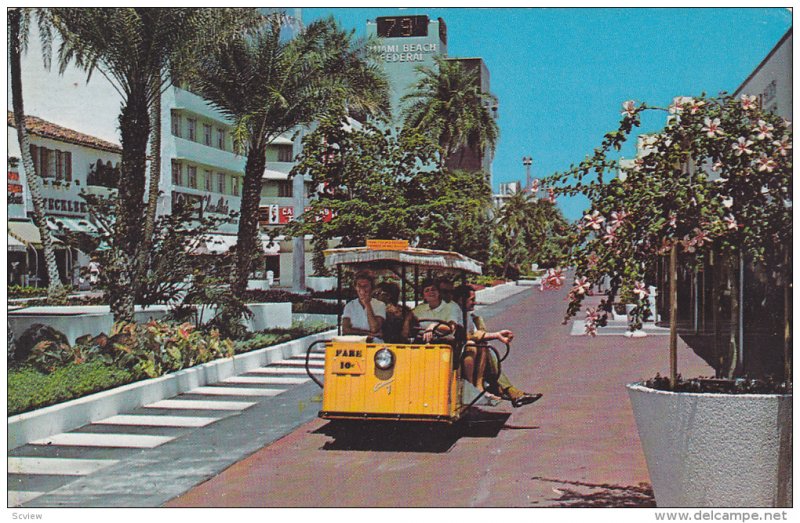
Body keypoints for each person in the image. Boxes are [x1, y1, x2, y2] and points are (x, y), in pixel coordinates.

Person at [454, 284, 542, 408]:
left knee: (483, 347)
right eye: (471, 300)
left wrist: (496, 335)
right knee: (475, 347)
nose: (475, 302)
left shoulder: (466, 314)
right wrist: (494, 335)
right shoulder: (454, 313)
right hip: (456, 351)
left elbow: (475, 333)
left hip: (467, 351)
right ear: (461, 300)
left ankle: (499, 389)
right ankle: (507, 391)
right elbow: (466, 335)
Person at [411, 278, 463, 343]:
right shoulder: (419, 308)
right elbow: (410, 316)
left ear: (438, 293)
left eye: (433, 290)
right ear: (423, 296)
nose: (431, 292)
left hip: (444, 343)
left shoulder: (451, 306)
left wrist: (433, 326)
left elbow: (451, 327)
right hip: (421, 341)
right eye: (427, 290)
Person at [341, 271, 385, 341]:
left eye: (365, 286)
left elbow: (374, 328)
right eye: (359, 286)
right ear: (355, 287)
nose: (362, 289)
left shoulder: (380, 305)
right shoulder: (349, 306)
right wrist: (368, 334)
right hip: (354, 344)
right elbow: (345, 330)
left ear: (371, 288)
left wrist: (367, 304)